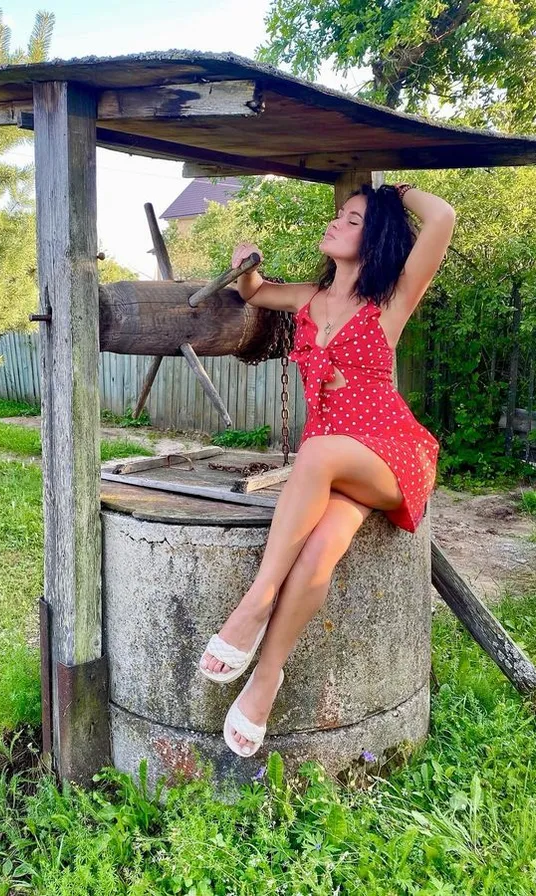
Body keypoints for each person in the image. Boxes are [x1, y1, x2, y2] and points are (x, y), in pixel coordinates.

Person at [198, 183, 456, 758]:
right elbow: (257, 291)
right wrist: (244, 263)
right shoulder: (309, 299)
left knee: (316, 453)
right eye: (339, 215)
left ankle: (254, 604)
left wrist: (395, 190)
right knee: (319, 551)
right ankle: (267, 678)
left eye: (353, 218)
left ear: (376, 236)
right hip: (335, 462)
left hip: (390, 452)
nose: (337, 223)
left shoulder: (392, 299)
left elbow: (443, 216)